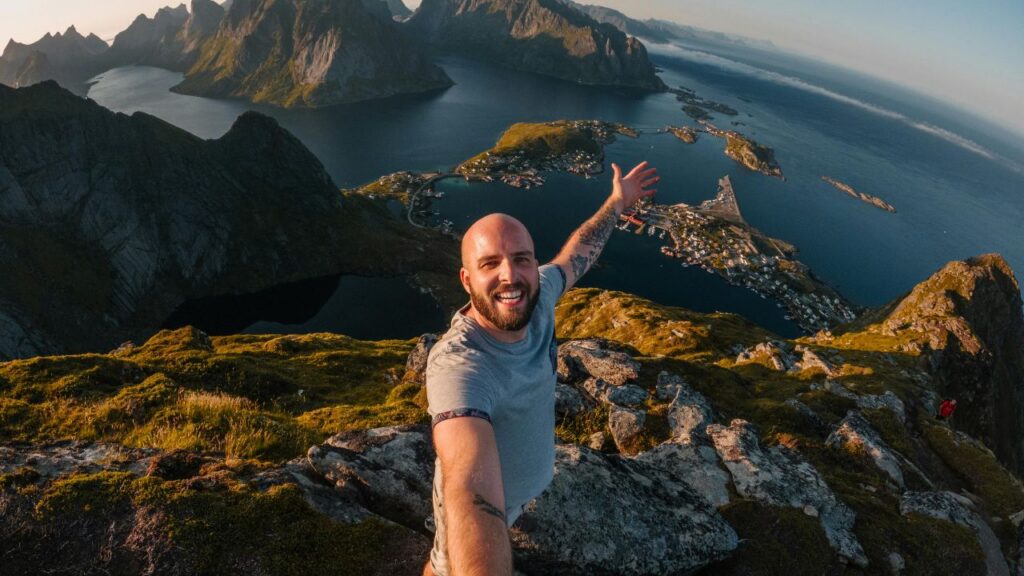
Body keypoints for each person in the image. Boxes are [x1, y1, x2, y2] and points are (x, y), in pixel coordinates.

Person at [423, 161, 659, 576]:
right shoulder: (459, 365)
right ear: (465, 279)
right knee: (444, 566)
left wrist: (617, 203)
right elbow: (469, 487)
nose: (510, 275)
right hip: (491, 505)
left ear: (535, 266)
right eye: (489, 263)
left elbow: (577, 253)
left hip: (518, 497)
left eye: (522, 259)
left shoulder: (542, 293)